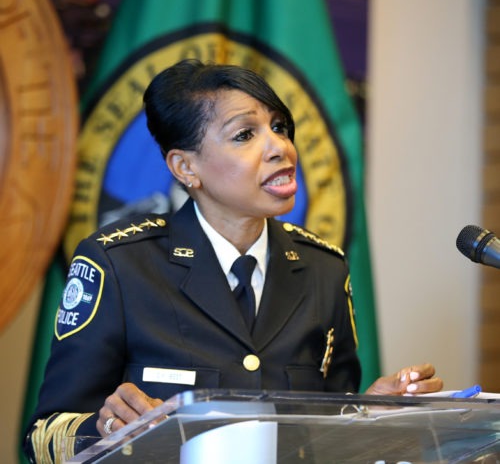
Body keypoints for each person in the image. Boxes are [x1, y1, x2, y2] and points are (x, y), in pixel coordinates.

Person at [23, 59, 443, 462]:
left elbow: (325, 431)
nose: (279, 146)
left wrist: (372, 414)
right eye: (245, 134)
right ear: (186, 167)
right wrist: (107, 429)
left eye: (279, 127)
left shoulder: (323, 269)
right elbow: (44, 434)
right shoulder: (120, 265)